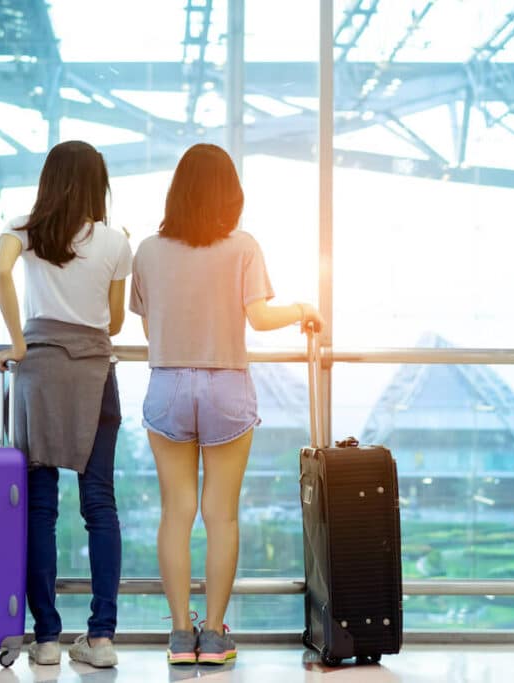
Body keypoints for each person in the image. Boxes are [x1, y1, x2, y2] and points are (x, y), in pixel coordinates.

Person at [129, 143, 325, 664]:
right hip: (226, 386)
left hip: (167, 382)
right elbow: (259, 319)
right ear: (231, 194)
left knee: (176, 513)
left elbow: (151, 329)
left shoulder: (148, 249)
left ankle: (178, 635)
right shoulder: (243, 247)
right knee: (221, 516)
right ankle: (214, 635)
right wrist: (305, 307)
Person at [0, 140, 132, 669]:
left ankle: (46, 637)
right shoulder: (116, 241)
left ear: (49, 179)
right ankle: (100, 640)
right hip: (95, 374)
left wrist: (18, 341)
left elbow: (2, 273)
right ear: (98, 184)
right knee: (100, 504)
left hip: (41, 373)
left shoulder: (24, 225)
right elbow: (115, 324)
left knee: (40, 508)